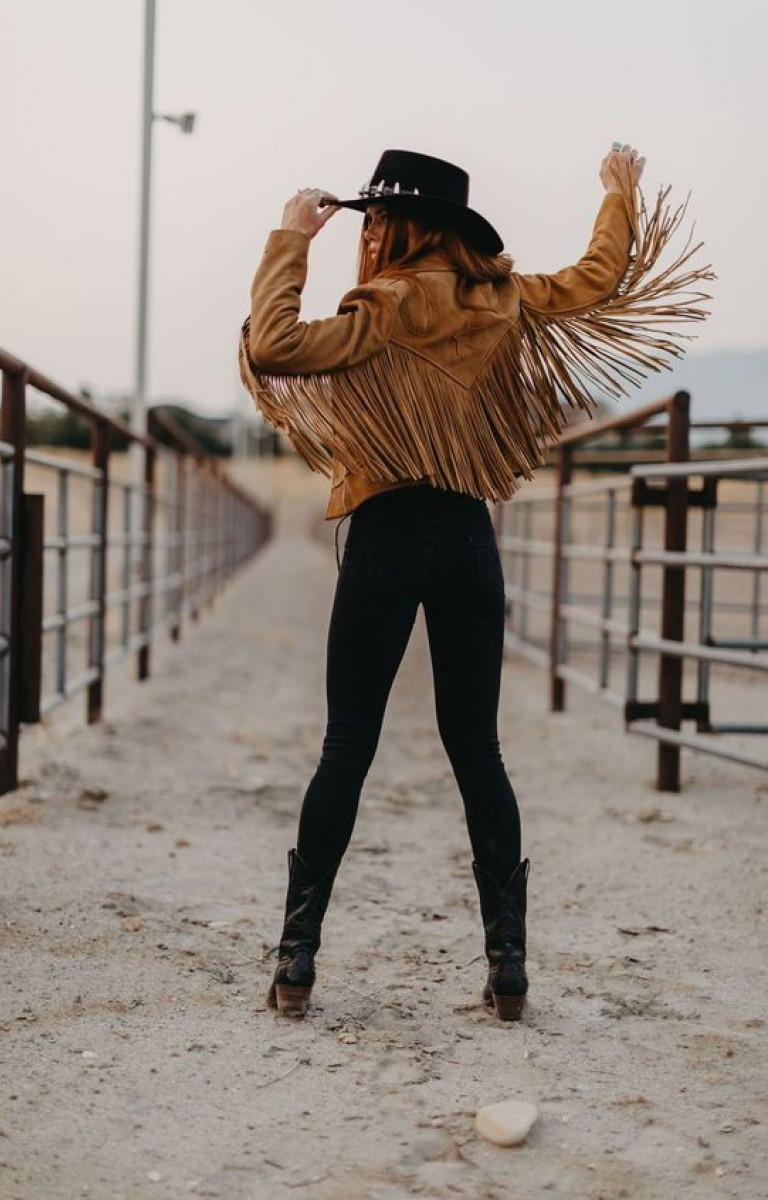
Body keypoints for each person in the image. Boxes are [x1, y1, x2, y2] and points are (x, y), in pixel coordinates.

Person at [238, 146, 713, 1020]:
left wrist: (290, 239)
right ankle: (508, 968)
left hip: (386, 535)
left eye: (373, 219)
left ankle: (298, 959)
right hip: (466, 538)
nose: (367, 233)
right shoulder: (506, 298)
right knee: (478, 751)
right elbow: (601, 278)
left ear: (400, 225)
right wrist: (618, 191)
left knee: (348, 745)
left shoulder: (382, 304)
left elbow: (274, 345)